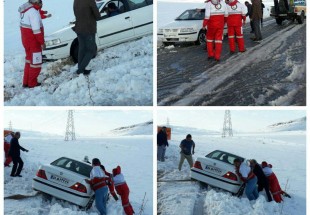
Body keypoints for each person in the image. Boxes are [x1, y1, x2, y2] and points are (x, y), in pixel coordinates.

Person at [18, 0, 45, 88]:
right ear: (36, 2)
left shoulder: (26, 9)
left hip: (26, 40)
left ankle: (26, 82)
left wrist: (43, 15)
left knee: (29, 60)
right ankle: (32, 83)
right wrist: (42, 42)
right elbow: (36, 31)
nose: (42, 4)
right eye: (41, 2)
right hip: (34, 42)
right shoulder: (33, 12)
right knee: (36, 63)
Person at [73, 0, 101, 75]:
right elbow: (97, 16)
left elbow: (75, 13)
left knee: (82, 49)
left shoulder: (76, 1)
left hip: (79, 28)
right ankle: (80, 70)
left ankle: (81, 68)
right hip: (88, 29)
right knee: (91, 50)